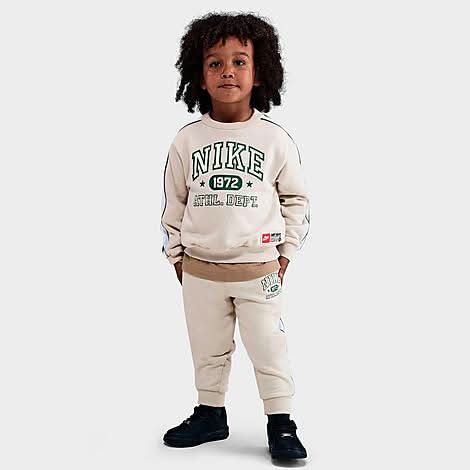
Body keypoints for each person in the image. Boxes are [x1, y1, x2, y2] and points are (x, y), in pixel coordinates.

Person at [160, 12, 310, 460]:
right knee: (207, 349)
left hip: (259, 269)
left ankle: (281, 424)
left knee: (269, 347)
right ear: (199, 76)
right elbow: (174, 203)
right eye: (215, 63)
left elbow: (296, 200)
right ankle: (211, 414)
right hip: (200, 271)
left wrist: (285, 254)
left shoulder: (274, 139)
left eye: (239, 61)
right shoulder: (186, 141)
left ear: (259, 72)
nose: (228, 71)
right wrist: (177, 257)